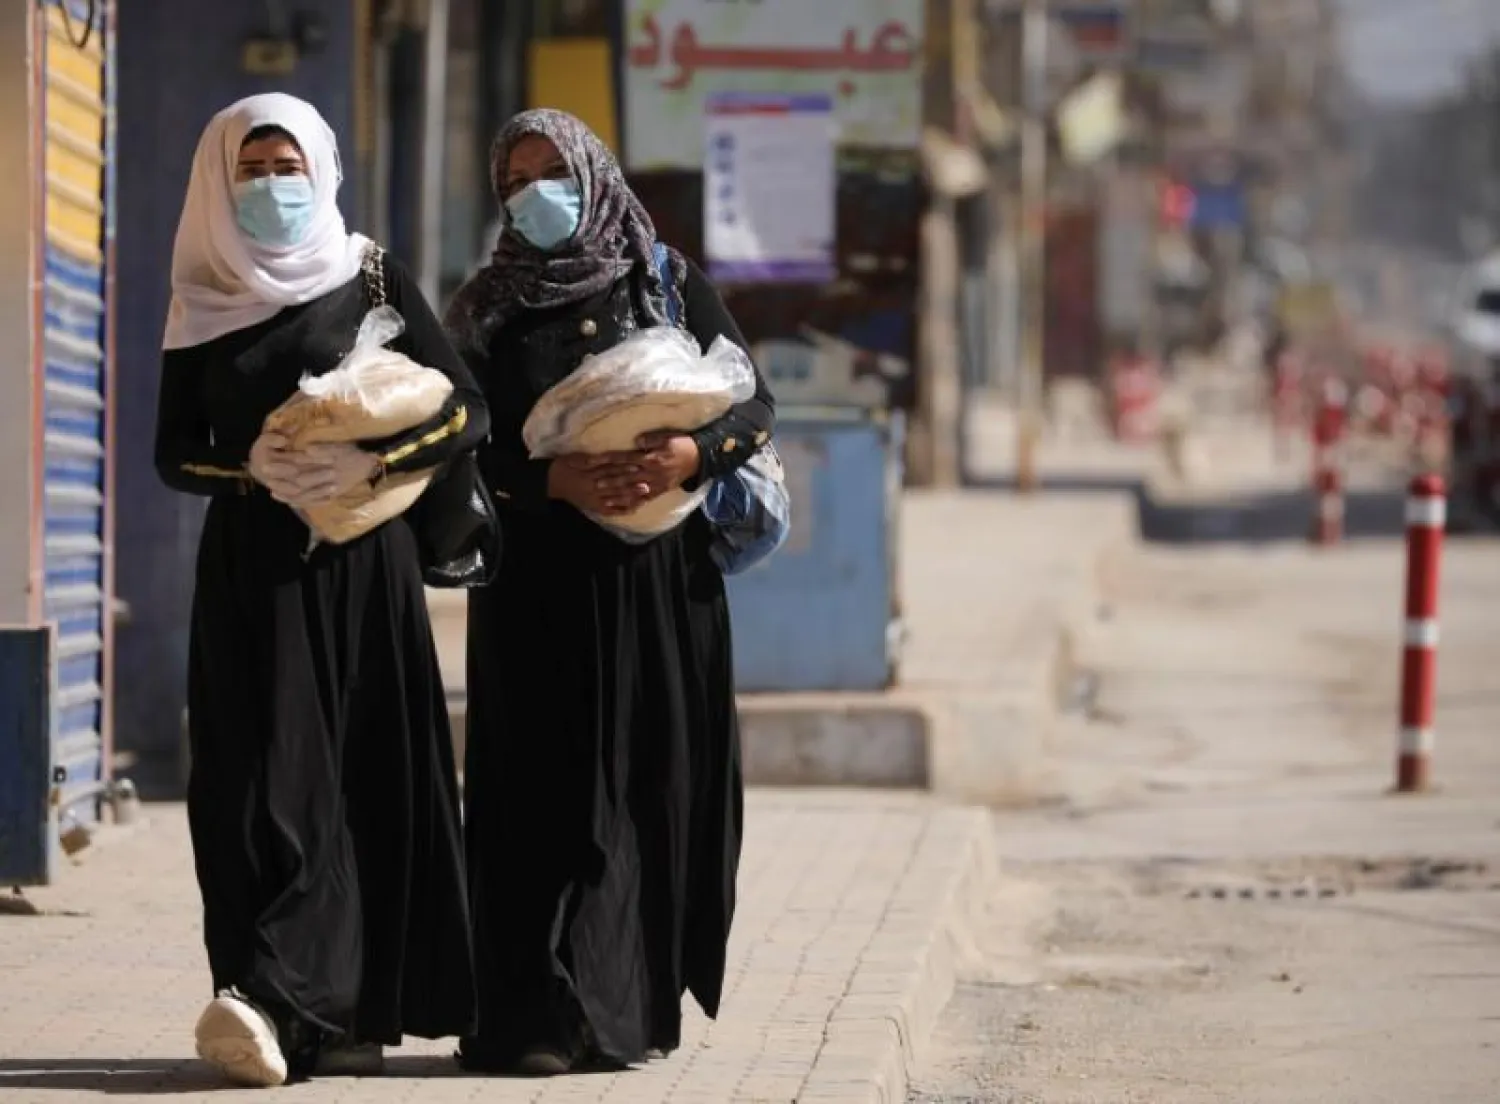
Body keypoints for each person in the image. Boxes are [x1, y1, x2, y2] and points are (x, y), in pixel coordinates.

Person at [154, 93, 485, 1087]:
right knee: (251, 782)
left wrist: (375, 468)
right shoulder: (203, 289)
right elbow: (173, 455)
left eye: (285, 166)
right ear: (219, 180)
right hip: (252, 573)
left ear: (324, 168)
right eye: (248, 171)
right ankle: (261, 993)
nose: (268, 187)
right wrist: (255, 470)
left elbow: (465, 409)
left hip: (360, 570)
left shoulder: (368, 271)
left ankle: (345, 1010)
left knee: (361, 776)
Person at [445, 108, 775, 1076]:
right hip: (537, 593)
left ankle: (621, 1008)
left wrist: (690, 451)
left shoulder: (664, 284)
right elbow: (455, 451)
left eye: (553, 172)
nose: (534, 194)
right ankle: (534, 1013)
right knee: (539, 794)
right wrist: (548, 482)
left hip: (660, 595)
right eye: (515, 179)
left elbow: (752, 403)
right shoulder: (483, 313)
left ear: (594, 176)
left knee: (647, 788)